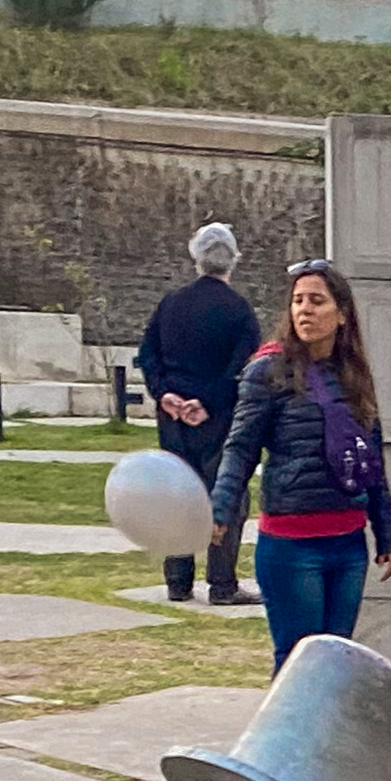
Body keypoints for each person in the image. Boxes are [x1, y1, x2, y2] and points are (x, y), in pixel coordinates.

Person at [209, 260, 391, 670]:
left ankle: (328, 738)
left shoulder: (353, 374)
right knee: (299, 663)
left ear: (342, 314)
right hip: (293, 546)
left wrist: (386, 532)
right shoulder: (268, 371)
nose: (305, 310)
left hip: (348, 542)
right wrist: (221, 508)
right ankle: (288, 738)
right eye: (297, 301)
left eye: (317, 301)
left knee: (335, 664)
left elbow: (372, 458)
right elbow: (240, 449)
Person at [136, 222, 260, 606]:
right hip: (218, 417)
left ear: (196, 257)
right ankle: (222, 583)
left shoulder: (170, 303)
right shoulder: (240, 311)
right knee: (226, 495)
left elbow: (148, 355)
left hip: (172, 417)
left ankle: (178, 580)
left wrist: (166, 394)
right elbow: (240, 370)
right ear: (233, 260)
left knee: (177, 494)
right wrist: (206, 402)